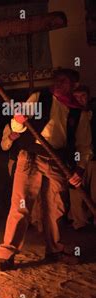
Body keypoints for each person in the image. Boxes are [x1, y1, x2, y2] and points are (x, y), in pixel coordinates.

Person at [0, 69, 92, 271]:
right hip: (31, 156)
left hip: (58, 162)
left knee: (56, 208)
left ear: (73, 86)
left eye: (64, 81)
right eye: (56, 79)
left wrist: (79, 169)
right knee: (21, 205)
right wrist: (18, 121)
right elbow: (18, 126)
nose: (58, 83)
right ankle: (7, 254)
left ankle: (55, 249)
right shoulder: (39, 98)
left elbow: (84, 146)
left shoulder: (78, 113)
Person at [69, 85, 95, 231]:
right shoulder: (70, 115)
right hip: (76, 159)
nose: (80, 99)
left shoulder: (93, 113)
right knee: (76, 192)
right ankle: (79, 222)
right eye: (77, 97)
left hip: (94, 160)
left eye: (83, 96)